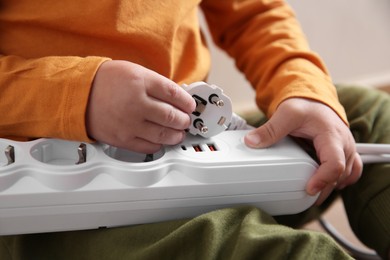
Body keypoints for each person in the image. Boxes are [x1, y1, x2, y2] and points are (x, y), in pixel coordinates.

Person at [0, 0, 388, 259]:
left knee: (361, 113)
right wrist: (75, 95)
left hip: (191, 140)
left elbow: (252, 13)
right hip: (52, 200)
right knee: (260, 248)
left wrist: (302, 88)